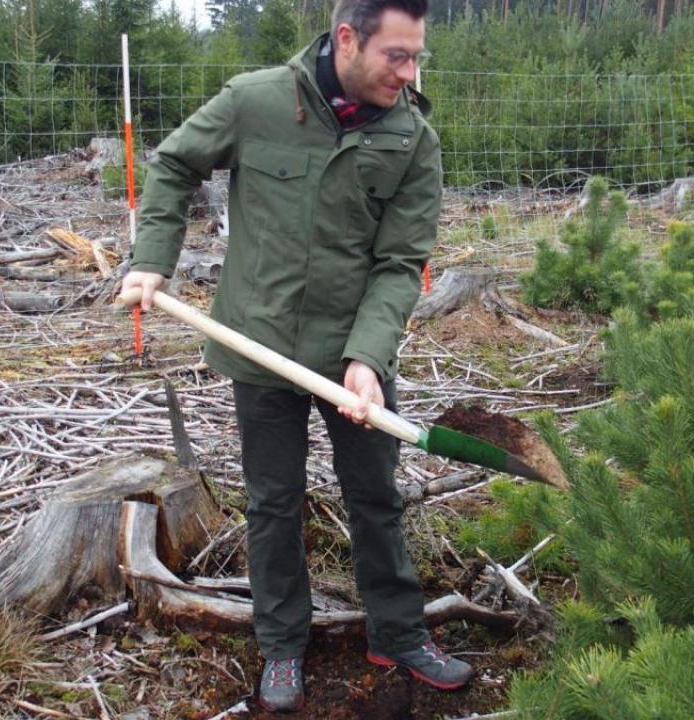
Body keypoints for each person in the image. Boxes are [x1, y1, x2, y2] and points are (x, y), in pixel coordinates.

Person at [120, 0, 472, 712]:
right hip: (262, 345)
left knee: (375, 497)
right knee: (273, 502)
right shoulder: (256, 103)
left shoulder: (411, 139)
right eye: (395, 57)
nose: (408, 75)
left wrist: (369, 358)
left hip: (354, 355)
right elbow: (174, 164)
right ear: (347, 39)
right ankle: (282, 644)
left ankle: (398, 633)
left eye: (416, 58)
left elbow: (402, 262)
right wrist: (154, 258)